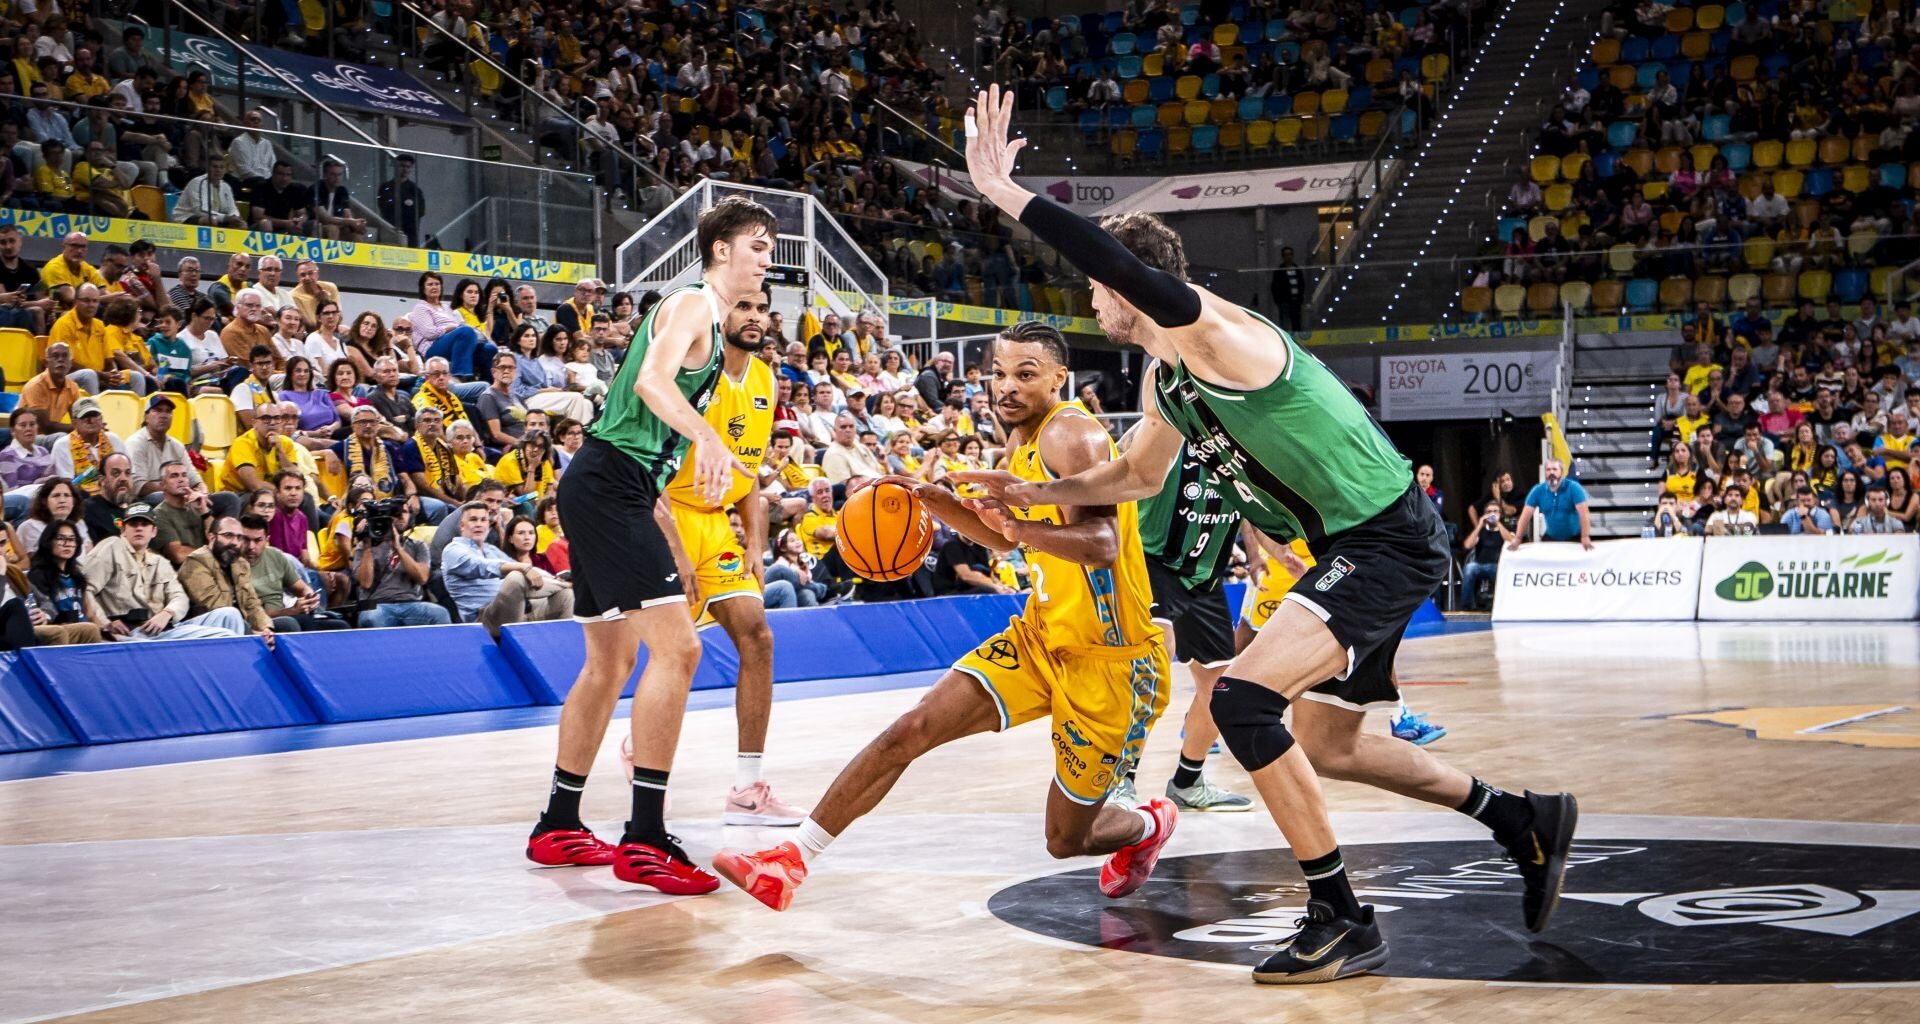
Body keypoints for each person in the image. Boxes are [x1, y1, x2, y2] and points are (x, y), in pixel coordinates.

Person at [943, 87, 1576, 983]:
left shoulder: (1216, 335)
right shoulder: (1168, 383)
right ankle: (1522, 819)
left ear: (1131, 283)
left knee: (1242, 703)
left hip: (1385, 537)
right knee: (1330, 745)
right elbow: (1135, 478)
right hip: (1356, 546)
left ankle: (1341, 914)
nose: (1092, 300)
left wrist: (1007, 192)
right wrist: (1033, 489)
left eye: (1100, 286)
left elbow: (1113, 267)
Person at [717, 319, 1177, 915]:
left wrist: (1023, 524)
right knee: (910, 730)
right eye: (998, 374)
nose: (1005, 386)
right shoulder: (1024, 439)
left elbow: (1101, 543)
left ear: (1060, 377)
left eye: (1025, 374)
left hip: (1110, 660)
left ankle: (1147, 825)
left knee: (1067, 840)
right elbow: (1007, 542)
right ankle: (788, 861)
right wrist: (936, 503)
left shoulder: (1075, 437)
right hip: (1040, 637)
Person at [530, 196, 776, 893]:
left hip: (607, 485)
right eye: (757, 245)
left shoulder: (715, 323)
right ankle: (644, 839)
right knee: (681, 648)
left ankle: (559, 823)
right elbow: (648, 379)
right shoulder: (693, 304)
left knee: (609, 664)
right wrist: (707, 437)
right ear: (722, 249)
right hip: (613, 483)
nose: (766, 258)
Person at [645, 286, 807, 825]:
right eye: (745, 307)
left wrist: (756, 545)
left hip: (716, 527)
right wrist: (672, 544)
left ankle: (746, 788)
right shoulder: (692, 368)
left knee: (757, 636)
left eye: (763, 309)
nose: (756, 317)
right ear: (719, 313)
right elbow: (648, 462)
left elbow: (746, 477)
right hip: (662, 514)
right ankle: (635, 751)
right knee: (667, 656)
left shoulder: (764, 380)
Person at [1130, 433, 1254, 811]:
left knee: (1221, 691)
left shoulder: (1251, 444)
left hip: (1205, 576)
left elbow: (1256, 513)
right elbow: (1120, 467)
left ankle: (1187, 782)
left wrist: (1275, 553)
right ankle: (1119, 780)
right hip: (1152, 562)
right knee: (1149, 673)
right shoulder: (1165, 429)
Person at [80, 503, 246, 640]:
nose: (139, 528)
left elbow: (179, 597)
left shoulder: (159, 561)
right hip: (134, 632)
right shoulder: (111, 547)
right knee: (224, 635)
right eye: (133, 524)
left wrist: (167, 613)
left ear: (154, 532)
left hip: (165, 627)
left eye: (144, 524)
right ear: (123, 530)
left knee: (230, 614)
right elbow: (84, 588)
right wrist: (104, 623)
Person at [441, 501, 572, 632]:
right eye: (473, 520)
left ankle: (565, 647)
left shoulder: (491, 549)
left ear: (488, 524)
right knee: (516, 577)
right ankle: (569, 584)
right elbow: (480, 566)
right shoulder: (453, 549)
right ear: (462, 525)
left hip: (517, 610)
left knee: (566, 596)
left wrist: (555, 578)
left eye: (483, 520)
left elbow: (531, 570)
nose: (479, 524)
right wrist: (524, 568)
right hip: (484, 620)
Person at [235, 512, 346, 632]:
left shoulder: (275, 556)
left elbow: (302, 588)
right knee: (293, 623)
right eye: (246, 540)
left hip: (284, 612)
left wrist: (309, 599)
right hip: (260, 621)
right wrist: (292, 611)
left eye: (257, 541)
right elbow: (250, 613)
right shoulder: (233, 564)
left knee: (340, 626)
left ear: (267, 540)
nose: (251, 546)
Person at [176, 515, 277, 646]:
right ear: (212, 537)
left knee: (286, 625)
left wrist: (266, 628)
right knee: (233, 617)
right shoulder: (196, 562)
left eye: (239, 537)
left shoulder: (240, 563)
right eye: (228, 535)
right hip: (206, 626)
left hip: (240, 622)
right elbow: (214, 607)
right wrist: (252, 634)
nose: (235, 542)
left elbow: (252, 603)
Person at [353, 498, 446, 627]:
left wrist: (398, 548)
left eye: (405, 512)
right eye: (396, 513)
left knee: (440, 614)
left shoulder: (418, 546)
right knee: (371, 618)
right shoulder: (364, 547)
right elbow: (365, 583)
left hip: (412, 603)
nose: (401, 516)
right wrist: (368, 546)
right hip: (378, 604)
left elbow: (422, 578)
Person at [23, 523, 107, 646]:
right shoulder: (38, 575)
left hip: (84, 630)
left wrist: (106, 630)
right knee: (90, 629)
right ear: (49, 541)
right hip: (59, 630)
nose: (67, 544)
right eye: (61, 539)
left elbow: (89, 613)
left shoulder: (77, 575)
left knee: (93, 629)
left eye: (72, 539)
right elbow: (43, 610)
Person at [1509, 460, 1594, 549]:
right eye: (1548, 470)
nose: (1551, 472)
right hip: (1551, 537)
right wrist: (1518, 538)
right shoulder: (1537, 490)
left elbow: (1584, 514)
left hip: (1575, 537)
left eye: (1554, 469)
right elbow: (1525, 516)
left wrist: (1585, 536)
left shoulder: (1574, 488)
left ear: (1562, 472)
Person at [52, 398, 126, 495]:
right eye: (84, 416)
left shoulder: (114, 439)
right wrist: (93, 474)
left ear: (101, 419)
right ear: (74, 423)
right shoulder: (62, 445)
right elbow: (66, 486)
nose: (90, 420)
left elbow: (127, 473)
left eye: (94, 415)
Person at [1460, 499, 1512, 609]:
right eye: (1489, 512)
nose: (1492, 514)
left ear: (1500, 514)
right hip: (1479, 565)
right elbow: (1467, 545)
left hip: (1498, 566)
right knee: (1469, 568)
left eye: (1495, 511)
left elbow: (1511, 541)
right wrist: (1479, 525)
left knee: (1504, 571)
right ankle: (1467, 607)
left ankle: (1502, 606)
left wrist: (1498, 523)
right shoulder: (1481, 530)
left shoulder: (1505, 530)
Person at [173, 152, 244, 226]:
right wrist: (225, 217)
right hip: (186, 217)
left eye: (221, 167)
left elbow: (232, 208)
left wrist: (235, 217)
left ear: (225, 170)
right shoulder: (197, 182)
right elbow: (200, 210)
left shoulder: (226, 186)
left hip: (215, 217)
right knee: (211, 221)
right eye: (215, 167)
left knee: (241, 225)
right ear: (207, 168)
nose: (218, 170)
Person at [378, 154, 425, 247]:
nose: (405, 169)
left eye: (408, 167)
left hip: (410, 235)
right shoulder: (386, 187)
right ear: (396, 166)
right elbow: (383, 208)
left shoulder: (415, 190)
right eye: (402, 166)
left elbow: (420, 211)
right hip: (390, 232)